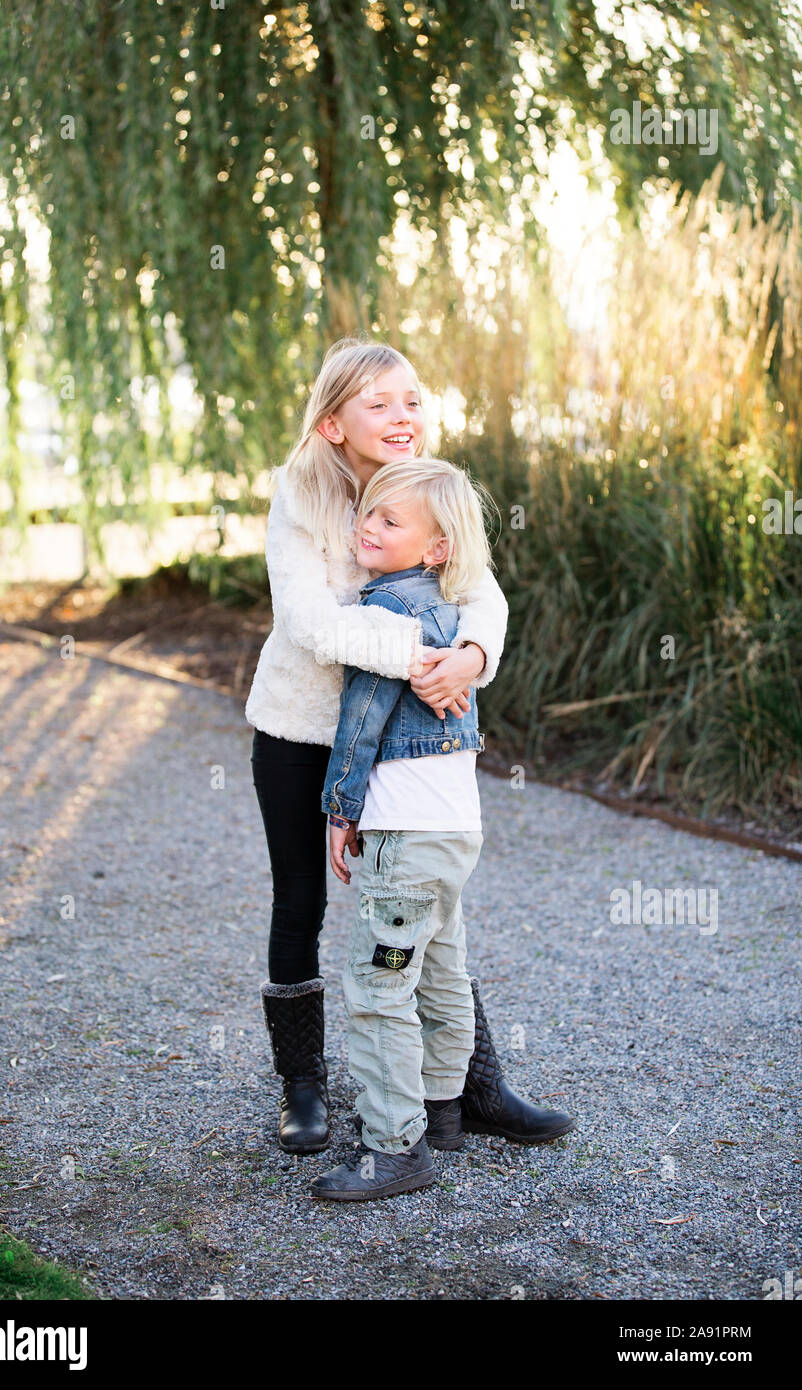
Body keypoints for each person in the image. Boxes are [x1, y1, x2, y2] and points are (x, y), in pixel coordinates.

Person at [245, 337, 572, 1154]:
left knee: (419, 904)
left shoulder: (429, 484)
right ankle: (304, 1087)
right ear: (331, 424)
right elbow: (309, 623)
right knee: (301, 901)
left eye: (412, 400)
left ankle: (474, 1085)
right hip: (301, 728)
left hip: (397, 738)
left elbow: (480, 591)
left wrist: (470, 656)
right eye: (379, 404)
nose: (403, 417)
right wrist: (420, 656)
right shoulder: (301, 493)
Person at [310, 458, 574, 1200]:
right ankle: (443, 1111)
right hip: (455, 835)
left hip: (402, 840)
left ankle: (396, 1148)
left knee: (377, 987)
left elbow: (361, 727)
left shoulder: (384, 617)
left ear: (435, 549)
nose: (368, 526)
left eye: (389, 521)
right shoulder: (455, 621)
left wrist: (339, 810)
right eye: (368, 513)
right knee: (442, 974)